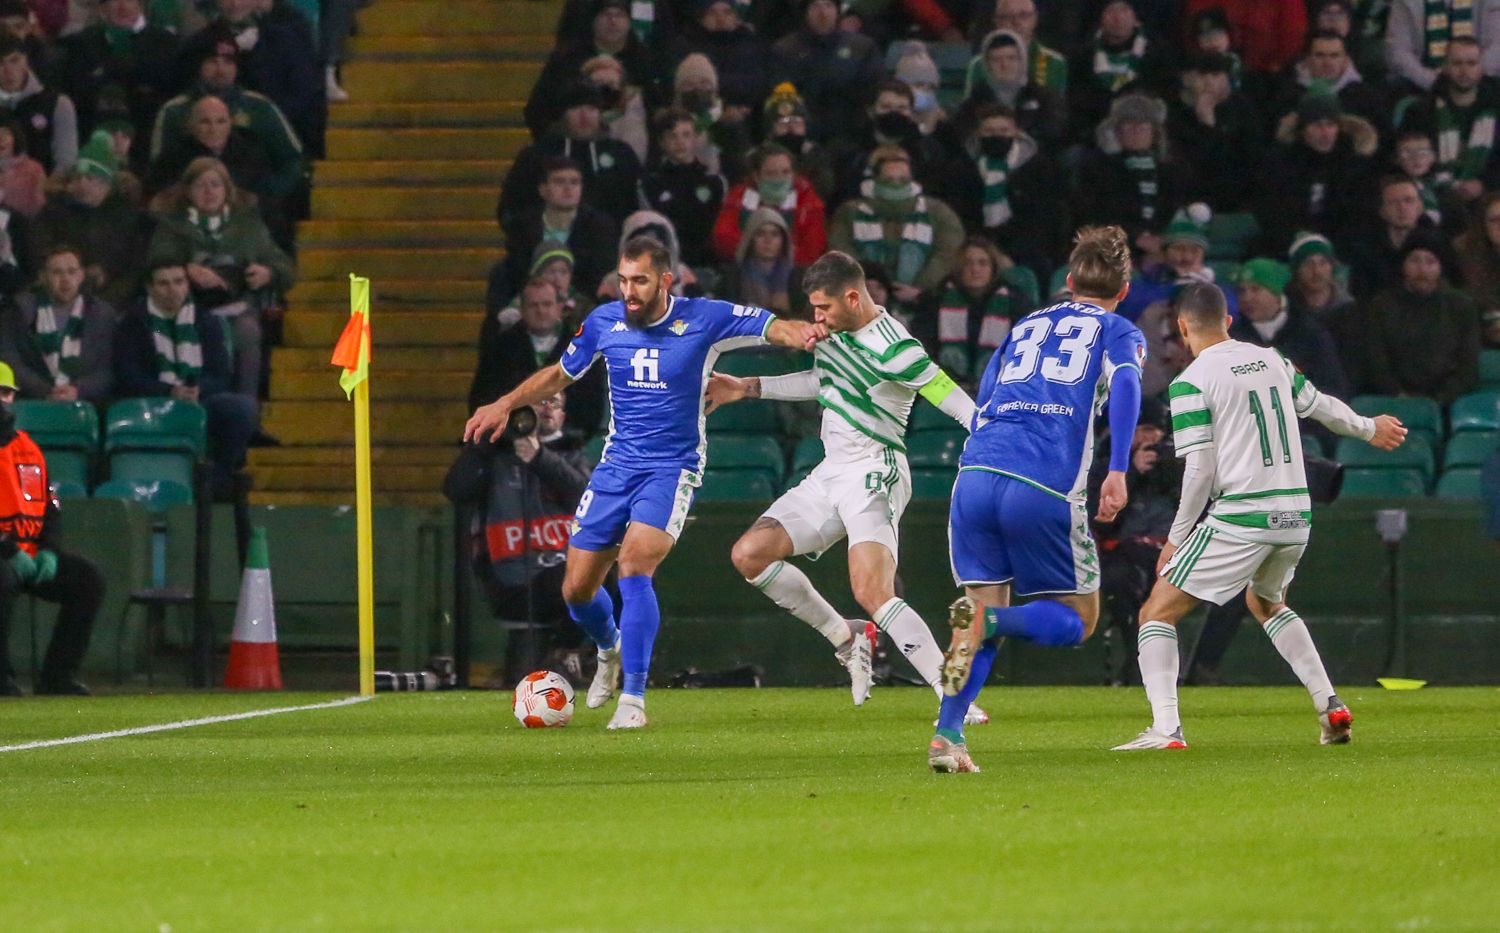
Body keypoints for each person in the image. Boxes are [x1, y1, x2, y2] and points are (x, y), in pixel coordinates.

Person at [463, 236, 827, 730]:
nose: (628, 291)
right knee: (576, 591)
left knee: (634, 565)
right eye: (623, 280)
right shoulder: (604, 321)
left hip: (672, 467)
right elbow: (557, 376)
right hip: (616, 467)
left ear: (665, 281)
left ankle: (633, 697)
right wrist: (505, 404)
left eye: (639, 281)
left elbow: (771, 326)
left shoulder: (705, 317)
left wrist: (803, 332)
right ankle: (609, 648)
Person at [1112, 281, 1408, 750]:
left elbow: (1200, 470)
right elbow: (1320, 406)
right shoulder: (1272, 359)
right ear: (1229, 322)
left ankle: (1166, 728)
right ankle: (1330, 706)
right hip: (1295, 513)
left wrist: (1177, 536)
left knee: (1156, 612)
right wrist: (1369, 428)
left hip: (1243, 514)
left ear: (1182, 327)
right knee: (1267, 602)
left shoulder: (1191, 382)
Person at [706, 250, 987, 722]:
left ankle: (949, 690)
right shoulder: (834, 335)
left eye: (824, 308)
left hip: (876, 469)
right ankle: (846, 637)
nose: (816, 318)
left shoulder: (896, 346)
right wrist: (746, 387)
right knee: (749, 554)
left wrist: (986, 432)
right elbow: (822, 383)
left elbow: (944, 393)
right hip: (830, 472)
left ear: (853, 297)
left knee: (872, 589)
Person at [930, 226, 1145, 773]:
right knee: (1078, 617)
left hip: (975, 471)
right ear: (1123, 289)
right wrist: (1117, 467)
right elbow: (1125, 384)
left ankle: (947, 737)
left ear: (1069, 282)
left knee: (979, 609)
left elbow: (987, 389)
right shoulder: (1119, 329)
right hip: (1041, 482)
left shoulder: (1026, 322)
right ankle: (991, 625)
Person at [443, 391, 593, 687]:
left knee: (602, 575)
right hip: (510, 583)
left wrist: (540, 458)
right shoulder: (496, 457)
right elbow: (456, 490)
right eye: (540, 402)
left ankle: (569, 652)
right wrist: (485, 442)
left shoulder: (574, 455)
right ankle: (567, 653)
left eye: (555, 403)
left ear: (563, 416)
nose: (547, 409)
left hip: (563, 573)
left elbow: (585, 497)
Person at [145, 156, 296, 399]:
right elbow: (153, 264)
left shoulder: (248, 225)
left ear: (227, 190)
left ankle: (246, 404)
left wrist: (268, 273)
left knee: (247, 330)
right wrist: (186, 270)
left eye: (216, 185)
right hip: (186, 307)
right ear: (188, 191)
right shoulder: (171, 226)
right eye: (201, 186)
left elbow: (284, 266)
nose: (209, 192)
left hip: (237, 305)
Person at [0, 362, 103, 696]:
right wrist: (7, 549)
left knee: (87, 580)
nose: (1, 401)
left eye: (5, 393)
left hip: (28, 553)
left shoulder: (28, 448)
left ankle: (57, 677)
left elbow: (47, 505)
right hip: (6, 555)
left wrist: (50, 550)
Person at [113, 260, 260, 490]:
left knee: (241, 408)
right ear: (150, 288)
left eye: (179, 282)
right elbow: (128, 376)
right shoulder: (132, 323)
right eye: (164, 284)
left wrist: (197, 390)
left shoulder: (206, 321)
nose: (173, 290)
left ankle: (219, 482)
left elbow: (220, 374)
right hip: (150, 401)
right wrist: (170, 391)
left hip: (199, 399)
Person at [148, 26, 305, 205]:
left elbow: (293, 159)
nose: (221, 69)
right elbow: (160, 170)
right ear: (198, 65)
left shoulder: (259, 107)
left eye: (228, 62)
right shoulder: (174, 111)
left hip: (251, 209)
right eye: (213, 61)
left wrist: (269, 194)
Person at [827, 145, 964, 310]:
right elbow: (841, 250)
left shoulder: (938, 211)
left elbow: (949, 251)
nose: (896, 184)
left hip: (921, 300)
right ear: (875, 179)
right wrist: (868, 285)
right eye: (889, 180)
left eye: (902, 179)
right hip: (862, 301)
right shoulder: (850, 211)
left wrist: (921, 287)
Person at [499, 82, 643, 229]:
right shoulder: (537, 155)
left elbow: (635, 205)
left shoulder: (621, 154)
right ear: (562, 114)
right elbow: (513, 206)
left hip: (611, 245)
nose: (584, 116)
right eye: (575, 108)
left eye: (591, 109)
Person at [31, 132, 149, 310]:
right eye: (77, 178)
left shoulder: (128, 217)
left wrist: (106, 301)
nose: (82, 184)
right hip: (60, 299)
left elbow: (135, 269)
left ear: (108, 184)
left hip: (114, 304)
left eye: (90, 178)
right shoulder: (53, 212)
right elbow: (39, 251)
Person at [1362, 231, 1482, 405]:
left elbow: (1468, 365)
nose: (1422, 269)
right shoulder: (1382, 306)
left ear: (1440, 266)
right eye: (1415, 260)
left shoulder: (1461, 306)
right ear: (1403, 265)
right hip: (1394, 401)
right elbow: (1377, 360)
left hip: (1449, 402)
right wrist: (1397, 393)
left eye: (1430, 261)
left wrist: (1441, 399)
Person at [1252, 93, 1377, 256]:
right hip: (1287, 249)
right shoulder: (1281, 162)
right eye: (1317, 126)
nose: (1325, 133)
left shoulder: (1353, 164)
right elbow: (1271, 212)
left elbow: (1360, 214)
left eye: (1331, 125)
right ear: (1303, 129)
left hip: (1342, 251)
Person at [495, 156, 618, 311]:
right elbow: (516, 272)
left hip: (582, 306)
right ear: (543, 190)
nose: (568, 188)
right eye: (559, 182)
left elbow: (600, 273)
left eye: (574, 182)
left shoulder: (599, 226)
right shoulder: (523, 226)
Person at [0, 245, 115, 405]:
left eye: (71, 272)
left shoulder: (101, 314)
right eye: (57, 272)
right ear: (43, 277)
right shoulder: (19, 311)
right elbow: (9, 360)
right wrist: (46, 391)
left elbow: (107, 370)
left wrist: (77, 390)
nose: (65, 279)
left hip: (85, 405)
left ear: (81, 275)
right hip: (32, 403)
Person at [56, 0, 177, 146]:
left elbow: (166, 88)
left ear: (141, 4)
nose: (123, 6)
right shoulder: (82, 42)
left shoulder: (165, 42)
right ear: (102, 7)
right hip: (93, 131)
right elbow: (76, 89)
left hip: (146, 131)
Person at [1398, 38, 1500, 205]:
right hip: (1435, 196)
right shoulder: (1420, 112)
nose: (1464, 70)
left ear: (1482, 68)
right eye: (1457, 63)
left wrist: (1484, 184)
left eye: (1471, 63)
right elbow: (1407, 159)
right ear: (1444, 67)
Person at [910, 236, 1024, 384]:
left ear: (993, 268)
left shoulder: (1015, 303)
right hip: (945, 386)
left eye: (982, 263)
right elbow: (924, 351)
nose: (975, 269)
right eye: (967, 263)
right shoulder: (936, 301)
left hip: (1001, 384)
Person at [770, 0, 882, 142]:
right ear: (805, 12)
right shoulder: (785, 49)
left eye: (828, 5)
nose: (823, 13)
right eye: (815, 6)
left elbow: (873, 89)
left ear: (837, 11)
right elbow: (781, 95)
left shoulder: (862, 47)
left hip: (851, 131)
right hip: (803, 132)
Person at [637, 107, 725, 270]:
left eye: (686, 135)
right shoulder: (650, 184)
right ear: (661, 142)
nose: (680, 142)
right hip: (668, 267)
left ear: (696, 138)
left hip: (708, 266)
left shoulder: (715, 182)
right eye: (672, 136)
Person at [712, 142, 825, 268]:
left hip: (795, 274)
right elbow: (722, 238)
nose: (780, 179)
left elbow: (812, 251)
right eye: (772, 173)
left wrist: (765, 251)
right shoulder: (739, 197)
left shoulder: (807, 200)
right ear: (756, 176)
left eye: (786, 172)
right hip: (745, 272)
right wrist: (767, 252)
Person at [961, 30, 1067, 148]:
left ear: (1022, 60)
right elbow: (963, 132)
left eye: (1011, 58)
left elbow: (1055, 132)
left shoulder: (1044, 96)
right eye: (996, 60)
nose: (1005, 65)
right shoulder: (977, 98)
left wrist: (1018, 136)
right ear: (987, 65)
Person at [1271, 29, 1389, 129]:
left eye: (1334, 56)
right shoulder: (1288, 94)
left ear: (1345, 60)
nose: (1327, 63)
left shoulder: (1365, 96)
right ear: (1307, 60)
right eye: (1320, 55)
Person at [1385, 0, 1500, 92]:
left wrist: (1470, 75)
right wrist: (1434, 82)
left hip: (1481, 83)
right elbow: (1398, 52)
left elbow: (1497, 46)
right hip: (1423, 87)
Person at [0, 32, 75, 173]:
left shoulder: (58, 104)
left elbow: (66, 164)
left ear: (26, 60)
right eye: (0, 63)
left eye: (15, 60)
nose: (8, 71)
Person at [716, 207, 800, 315]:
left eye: (774, 234)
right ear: (750, 239)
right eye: (760, 234)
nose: (768, 240)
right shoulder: (732, 276)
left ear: (784, 240)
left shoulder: (797, 278)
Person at [0, 112, 43, 218]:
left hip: (22, 228)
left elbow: (40, 211)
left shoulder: (33, 170)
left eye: (5, 133)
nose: (1, 140)